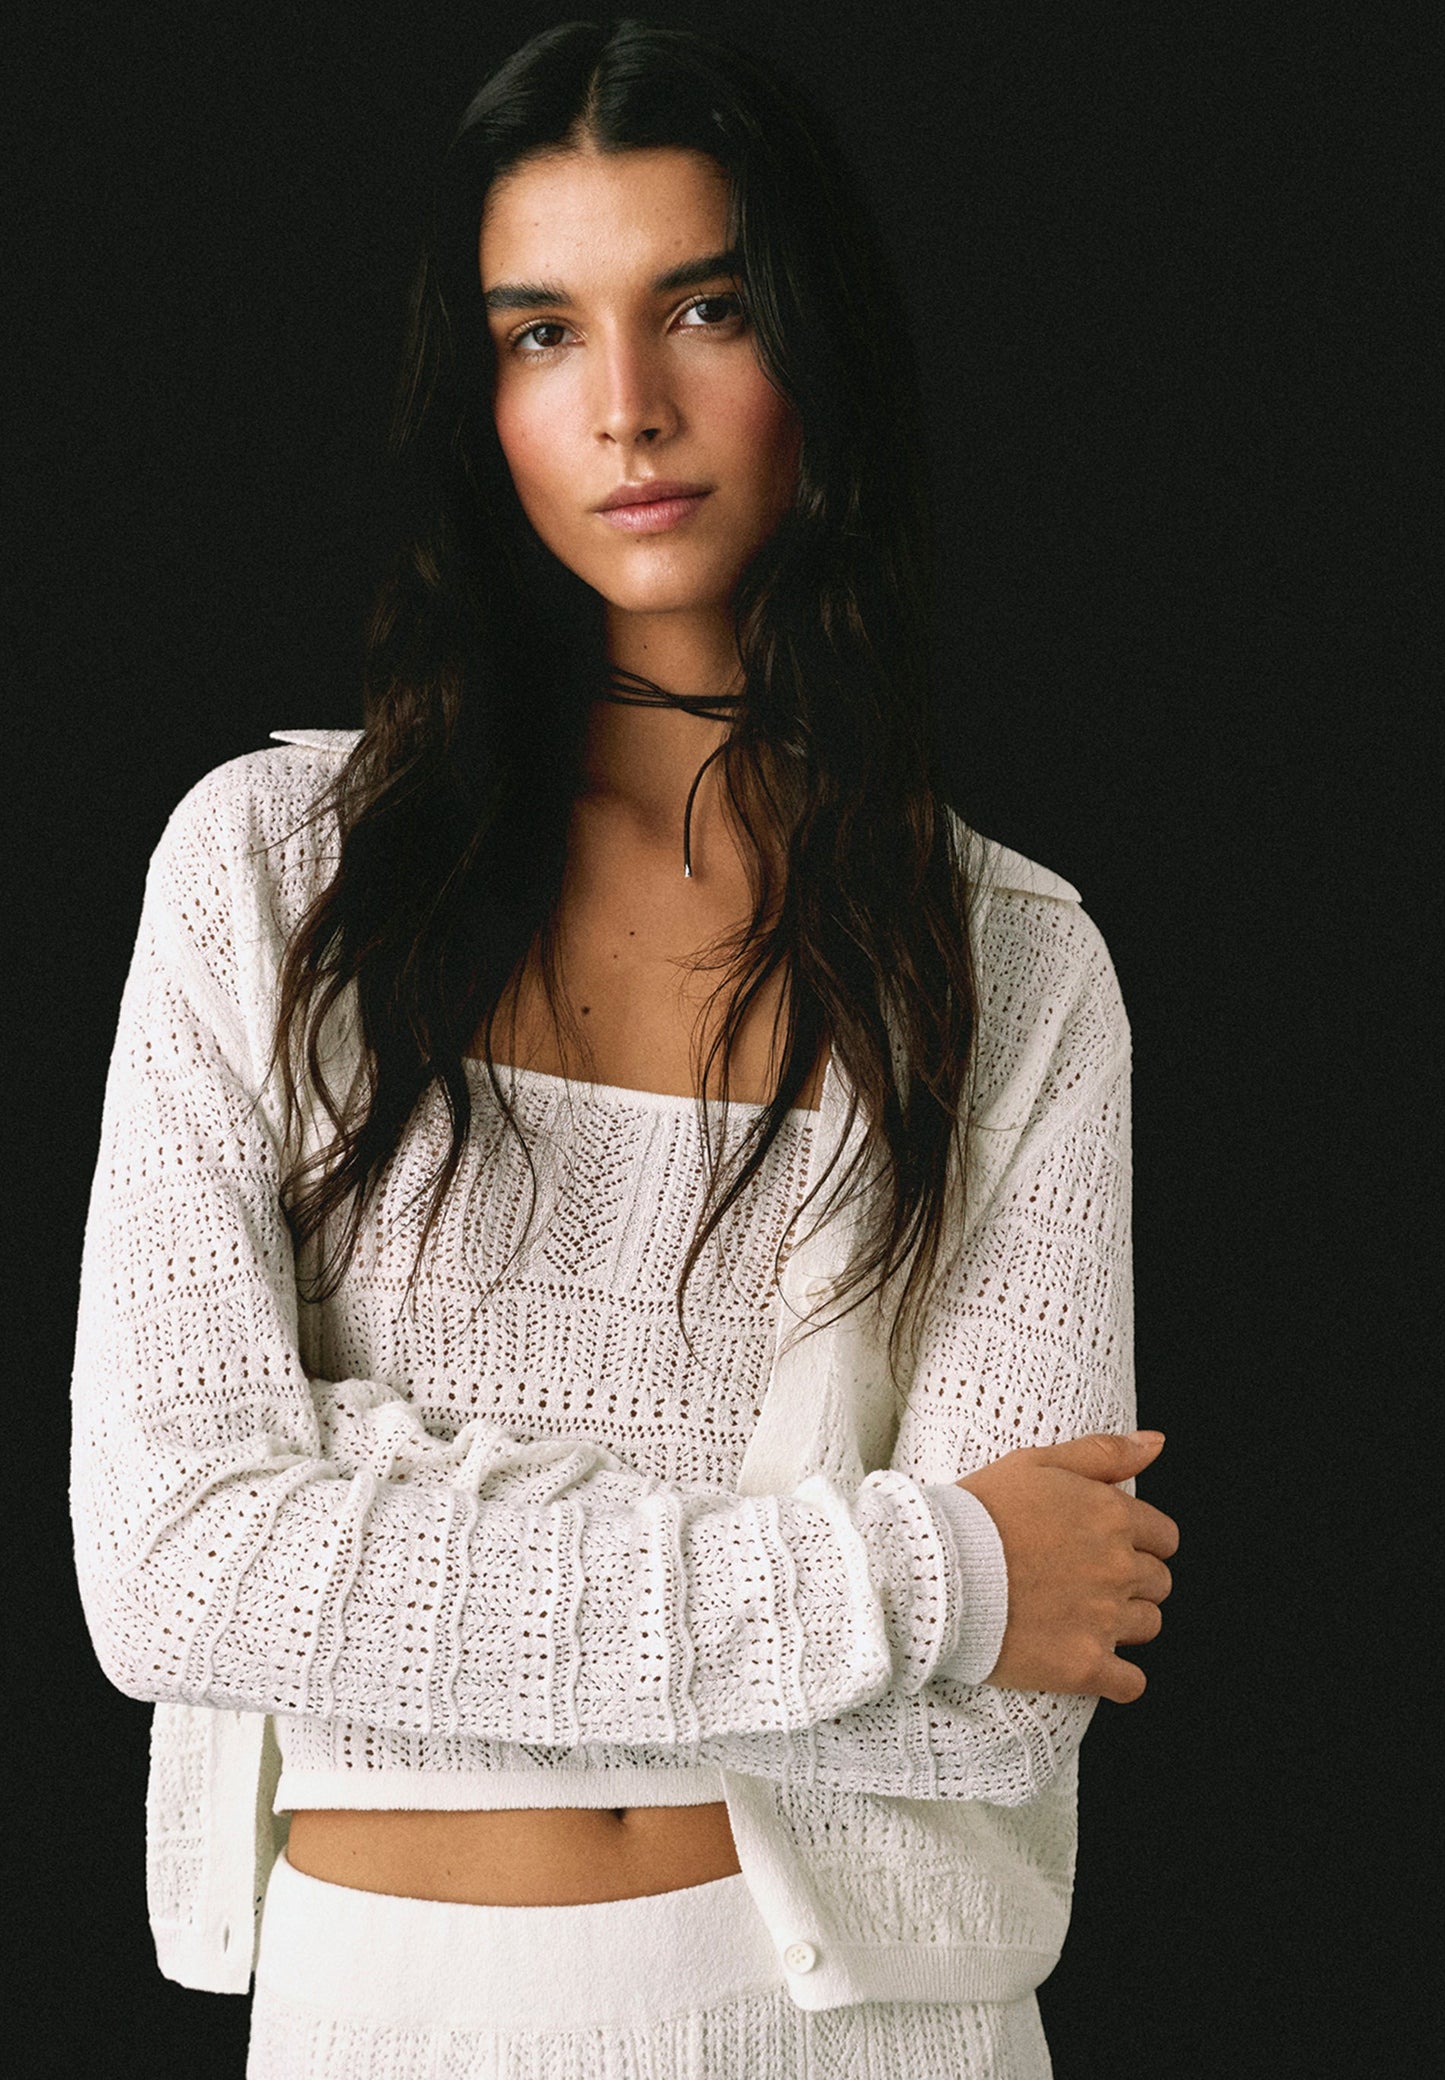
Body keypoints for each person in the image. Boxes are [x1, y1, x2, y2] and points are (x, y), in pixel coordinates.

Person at [69, 17, 1178, 2078]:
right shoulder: (267, 879)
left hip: (864, 2037)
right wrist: (929, 1564)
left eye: (705, 308)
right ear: (476, 394)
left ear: (814, 349)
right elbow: (179, 1567)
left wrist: (381, 1506)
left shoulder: (1012, 963)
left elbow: (1014, 1695)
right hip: (390, 2020)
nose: (628, 407)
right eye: (541, 333)